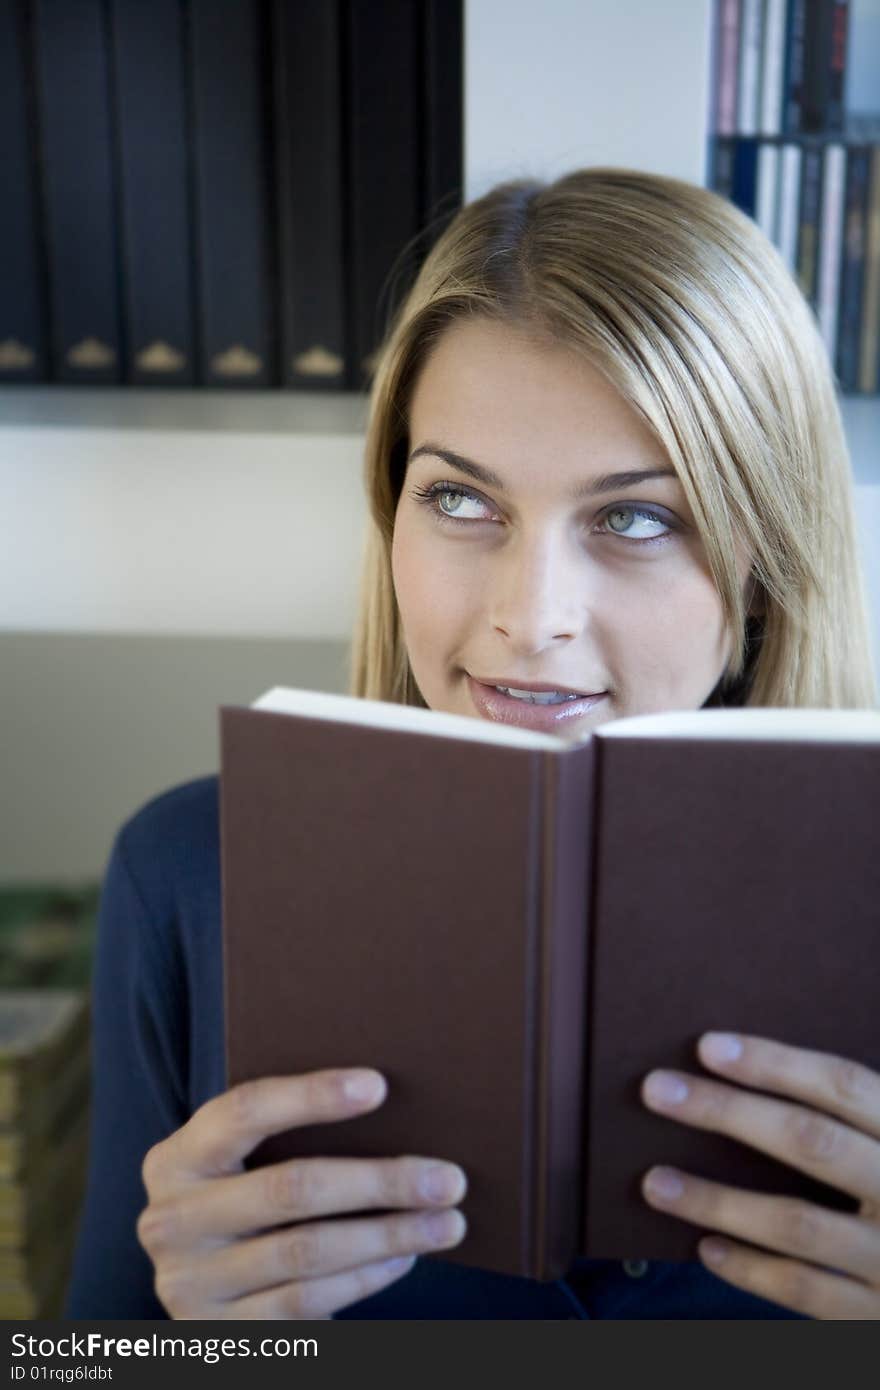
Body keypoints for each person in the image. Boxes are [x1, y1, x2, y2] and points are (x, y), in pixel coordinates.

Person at [65, 168, 879, 1321]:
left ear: (760, 573)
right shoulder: (187, 869)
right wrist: (188, 1342)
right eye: (459, 500)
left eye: (636, 517)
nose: (528, 613)